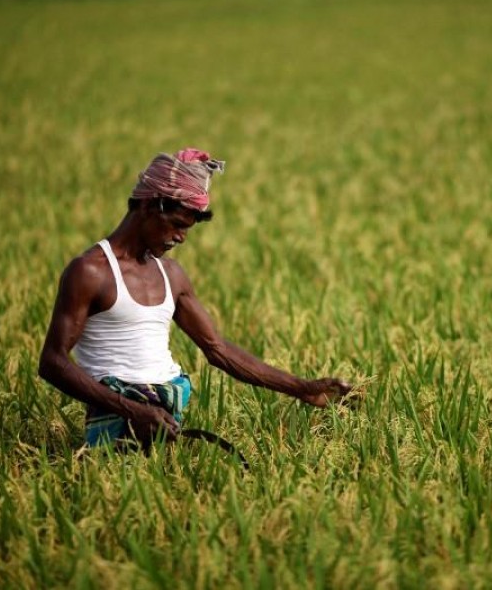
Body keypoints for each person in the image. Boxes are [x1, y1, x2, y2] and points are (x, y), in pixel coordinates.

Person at [38, 147, 351, 450]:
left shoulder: (171, 275)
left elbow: (218, 349)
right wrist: (131, 409)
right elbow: (53, 362)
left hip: (165, 416)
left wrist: (303, 389)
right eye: (176, 225)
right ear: (149, 207)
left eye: (187, 230)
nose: (180, 237)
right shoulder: (90, 272)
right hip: (116, 417)